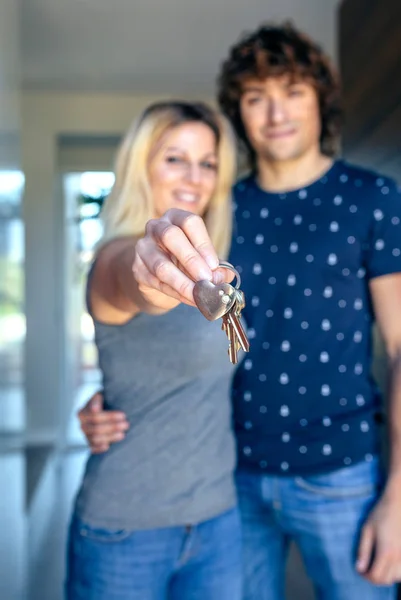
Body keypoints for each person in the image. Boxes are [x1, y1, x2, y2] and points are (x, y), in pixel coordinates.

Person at [78, 23, 401, 599]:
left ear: (320, 101)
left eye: (293, 91)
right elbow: (141, 279)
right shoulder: (222, 210)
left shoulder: (372, 198)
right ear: (240, 113)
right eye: (256, 97)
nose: (276, 113)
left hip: (342, 470)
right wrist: (115, 395)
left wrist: (400, 495)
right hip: (234, 481)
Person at [66, 100, 244, 600]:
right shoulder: (112, 258)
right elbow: (132, 278)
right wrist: (151, 273)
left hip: (218, 520)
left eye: (207, 162)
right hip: (126, 527)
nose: (195, 176)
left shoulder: (220, 271)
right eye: (174, 157)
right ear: (140, 165)